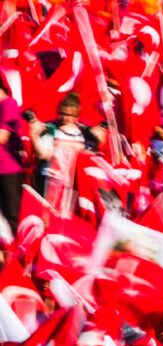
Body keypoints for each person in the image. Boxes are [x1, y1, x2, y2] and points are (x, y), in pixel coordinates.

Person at [30, 93, 101, 207]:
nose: (67, 118)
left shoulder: (84, 132)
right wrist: (34, 136)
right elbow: (43, 154)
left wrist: (98, 140)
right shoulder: (51, 129)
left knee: (67, 218)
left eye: (71, 115)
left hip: (73, 183)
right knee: (49, 215)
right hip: (51, 181)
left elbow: (91, 154)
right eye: (63, 114)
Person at [0, 80, 25, 236]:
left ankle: (14, 256)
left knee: (12, 216)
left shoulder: (8, 104)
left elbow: (2, 137)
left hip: (7, 169)